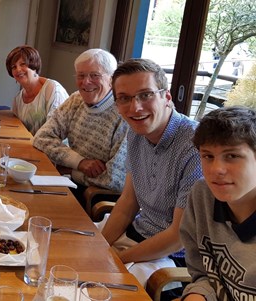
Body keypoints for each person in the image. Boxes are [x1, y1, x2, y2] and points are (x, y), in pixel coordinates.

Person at [100, 58, 203, 290]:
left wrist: (117, 259)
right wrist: (100, 248)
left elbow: (178, 236)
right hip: (137, 235)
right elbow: (128, 202)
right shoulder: (135, 133)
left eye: (145, 95)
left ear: (166, 97)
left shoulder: (196, 145)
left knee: (108, 288)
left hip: (171, 257)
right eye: (124, 98)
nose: (135, 107)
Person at [33, 48, 128, 206]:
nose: (86, 82)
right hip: (72, 187)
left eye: (95, 75)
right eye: (81, 75)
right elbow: (41, 138)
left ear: (112, 79)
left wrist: (71, 170)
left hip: (98, 200)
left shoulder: (123, 113)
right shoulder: (76, 100)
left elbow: (115, 179)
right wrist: (79, 162)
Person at [181, 106, 256, 300]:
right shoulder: (203, 194)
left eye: (232, 156)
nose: (217, 169)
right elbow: (204, 275)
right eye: (208, 156)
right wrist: (197, 294)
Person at [6, 45, 69, 135]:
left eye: (23, 64)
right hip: (30, 145)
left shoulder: (52, 89)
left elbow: (56, 131)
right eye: (14, 67)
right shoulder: (17, 100)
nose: (18, 70)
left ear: (34, 66)